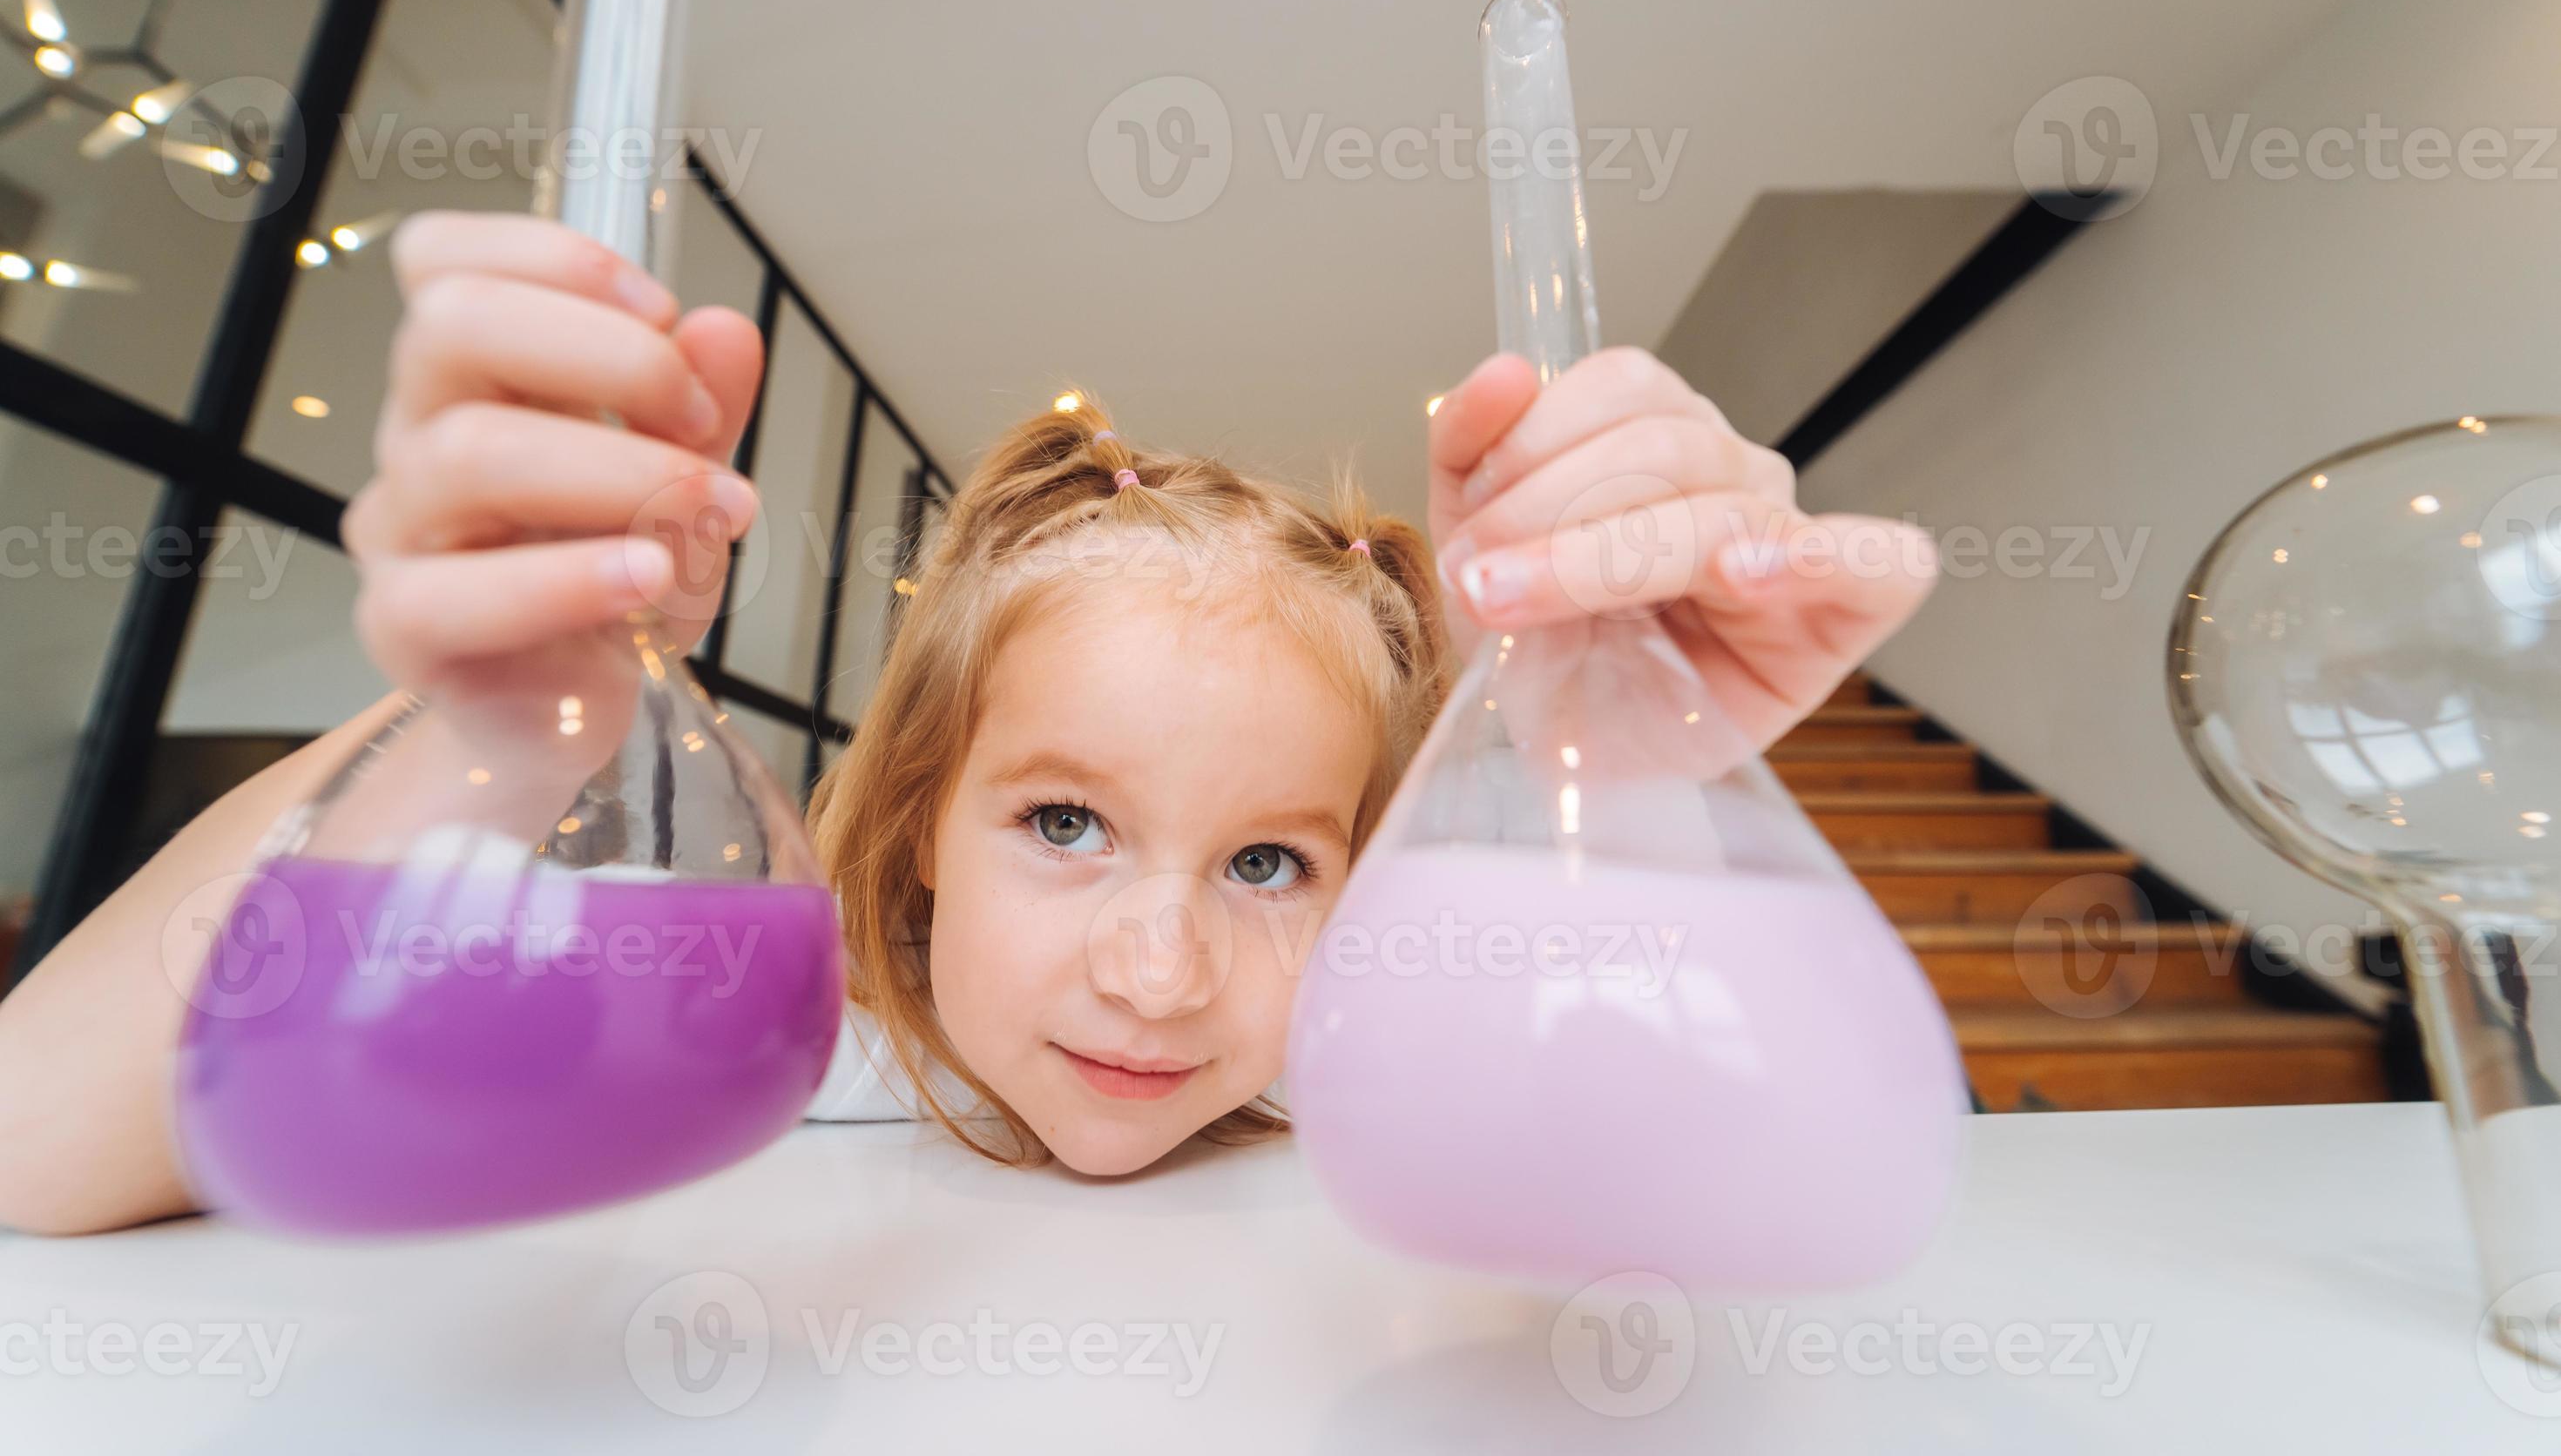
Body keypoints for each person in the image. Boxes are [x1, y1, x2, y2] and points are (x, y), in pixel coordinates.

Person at [0, 214, 1937, 1235]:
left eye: (1272, 858)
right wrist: (503, 732)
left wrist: (1638, 771)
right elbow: (29, 1148)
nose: (1161, 970)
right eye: (1067, 822)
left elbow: (1707, 1184)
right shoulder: (748, 1065)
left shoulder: (1380, 1122)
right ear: (919, 821)